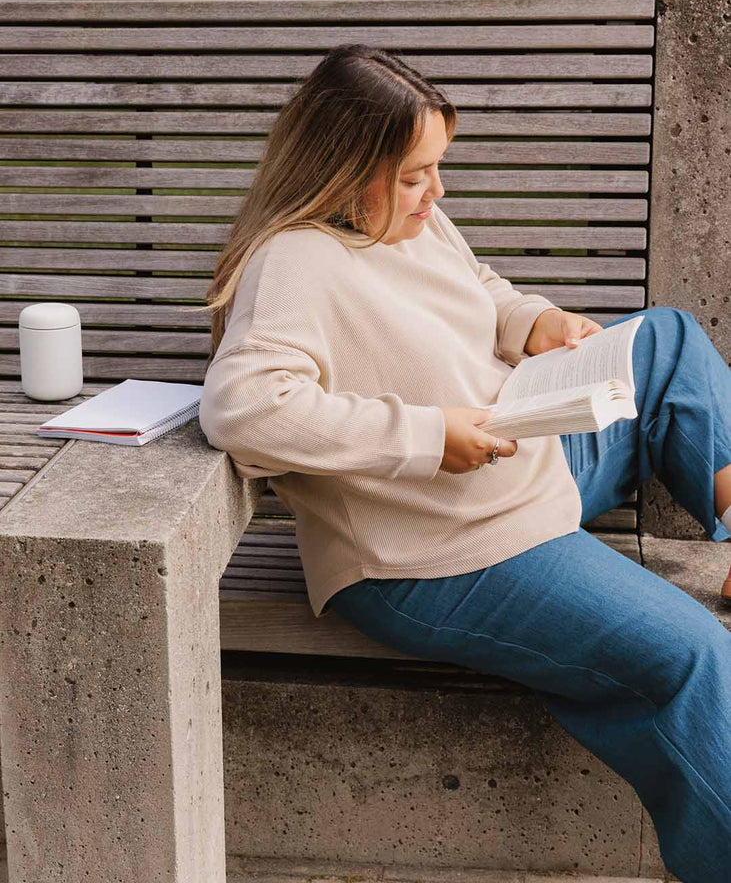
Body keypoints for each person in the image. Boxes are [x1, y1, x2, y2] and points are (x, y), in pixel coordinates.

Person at [197, 43, 731, 883]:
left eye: (436, 169)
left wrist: (535, 323)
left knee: (662, 339)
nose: (435, 192)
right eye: (415, 174)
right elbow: (245, 408)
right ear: (343, 168)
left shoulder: (408, 217)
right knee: (692, 656)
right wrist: (423, 436)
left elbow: (475, 286)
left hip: (525, 463)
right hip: (439, 554)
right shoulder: (294, 262)